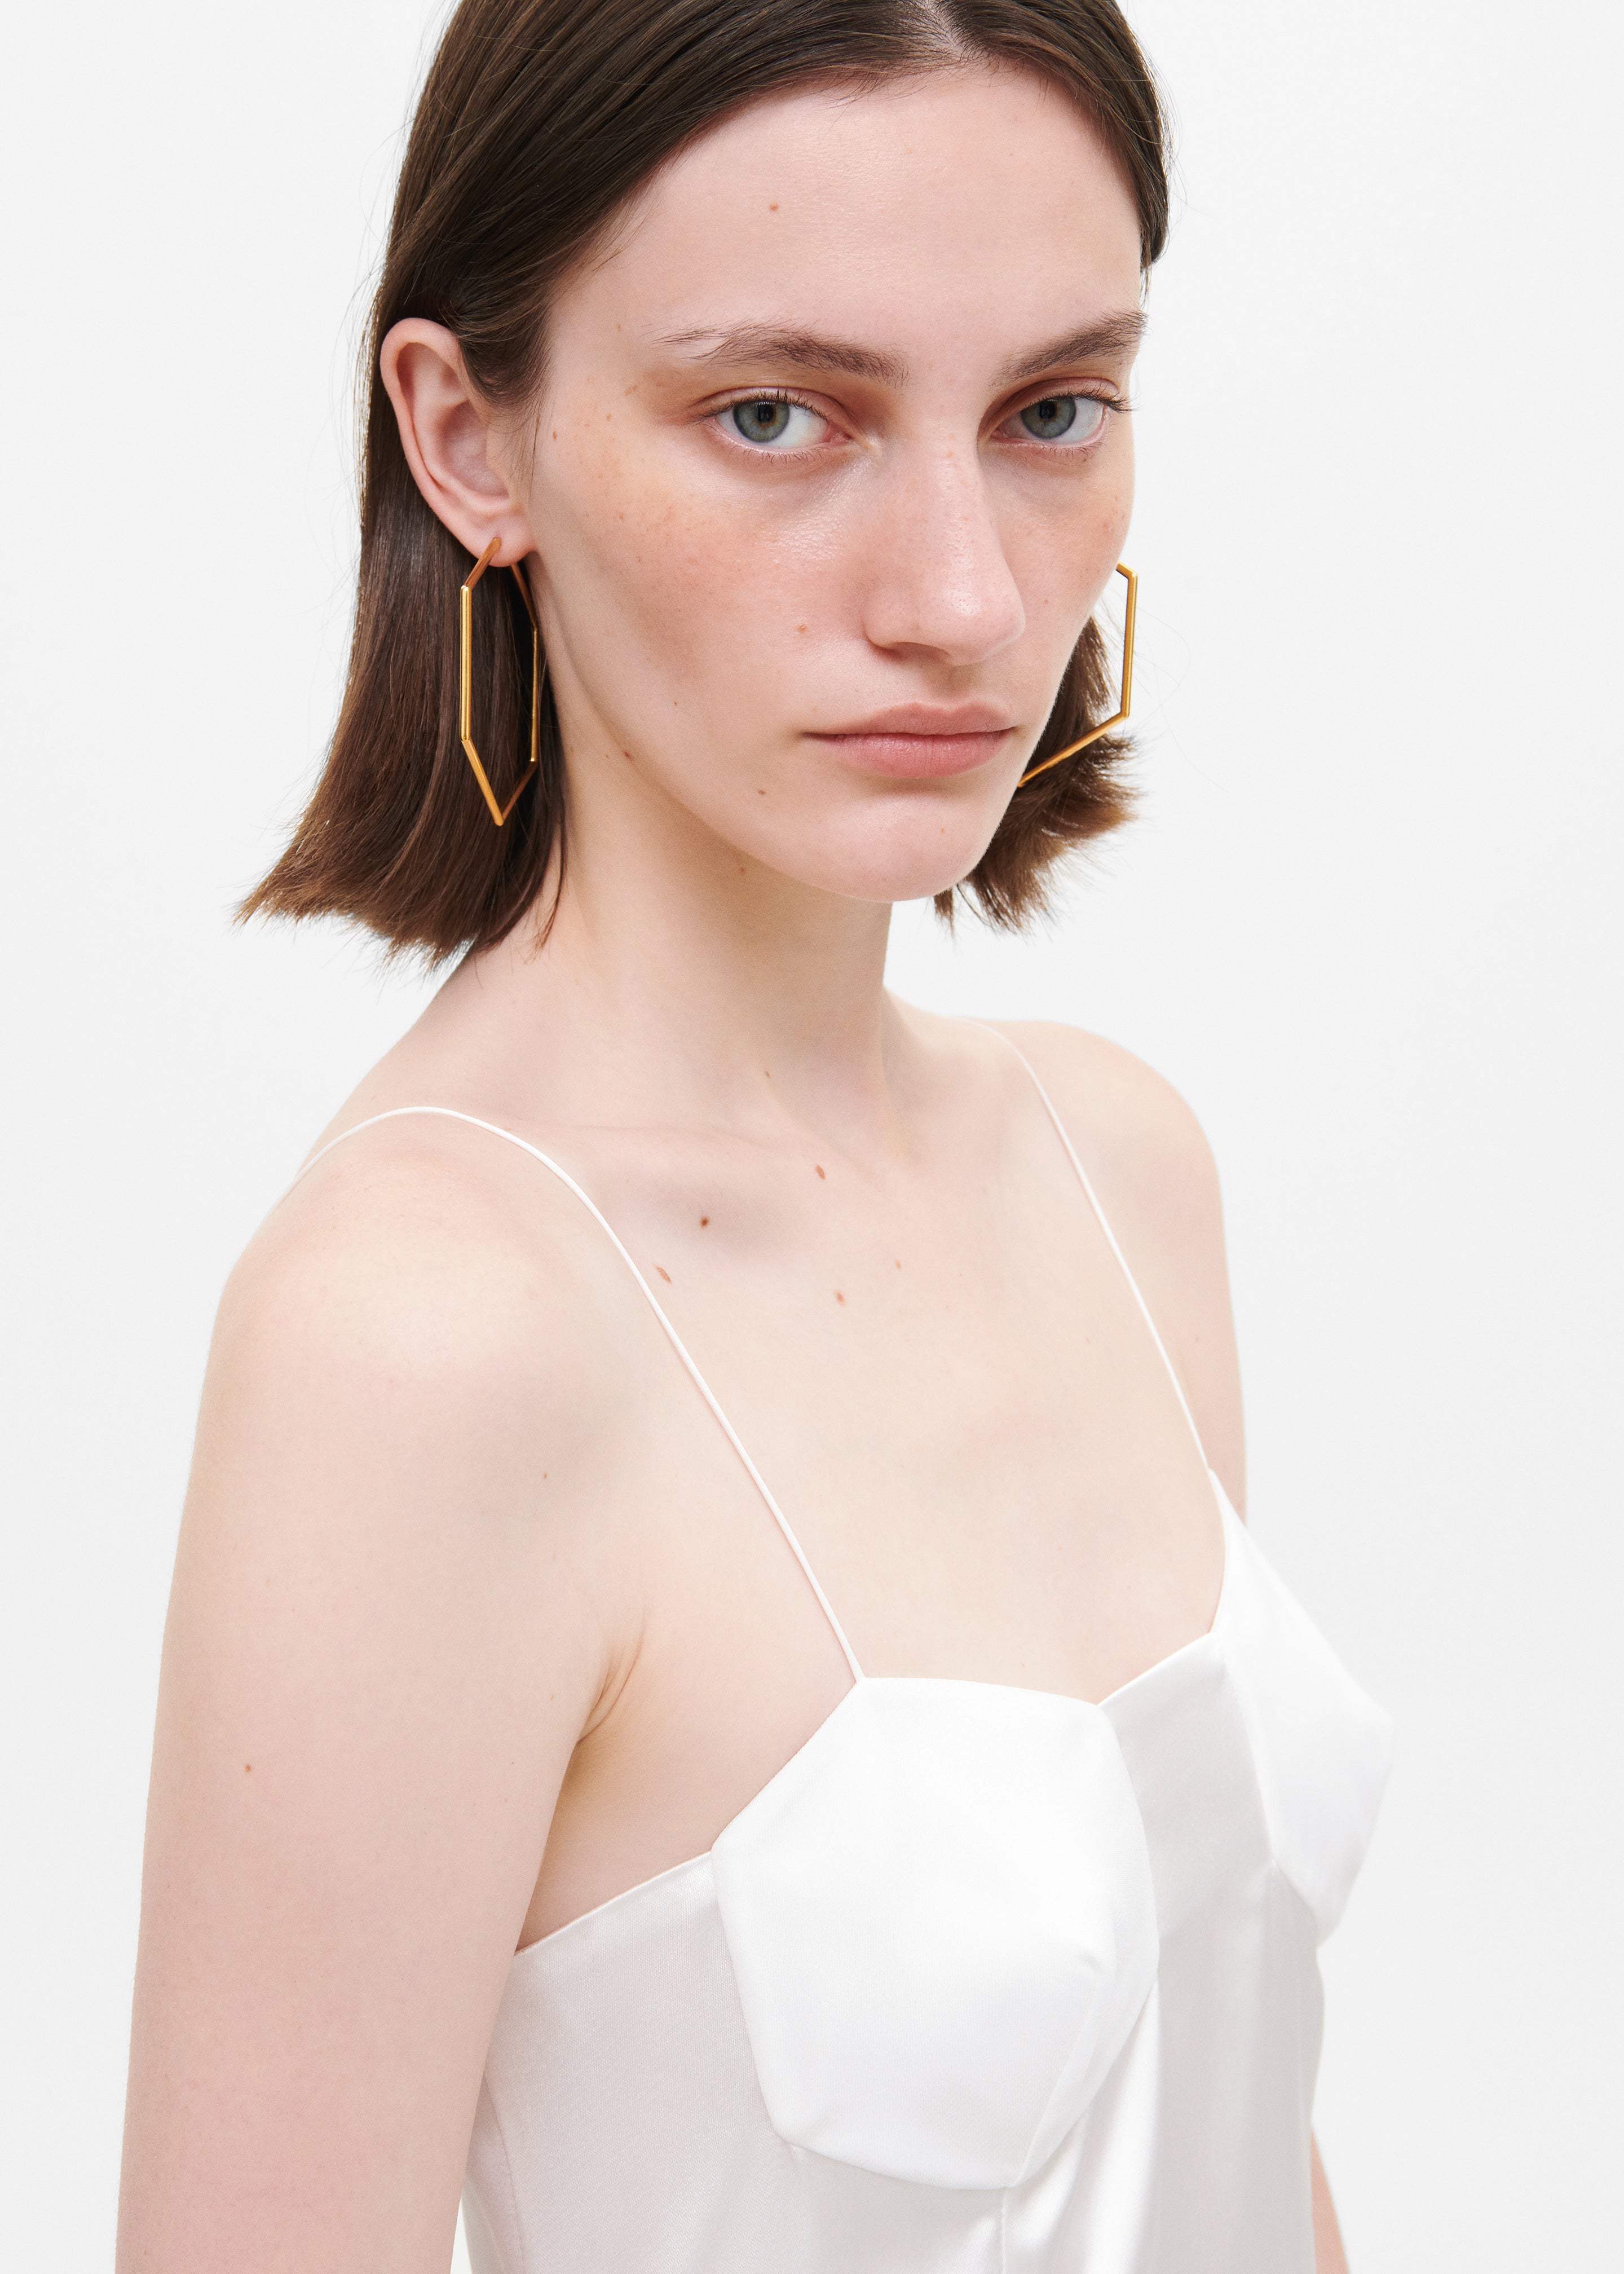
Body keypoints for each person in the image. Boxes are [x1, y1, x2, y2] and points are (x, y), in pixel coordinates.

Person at [116, 3, 1392, 2268]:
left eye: (1052, 411)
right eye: (778, 415)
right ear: (467, 440)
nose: (964, 598)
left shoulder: (1116, 1168)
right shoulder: (425, 1338)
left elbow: (1223, 2095)